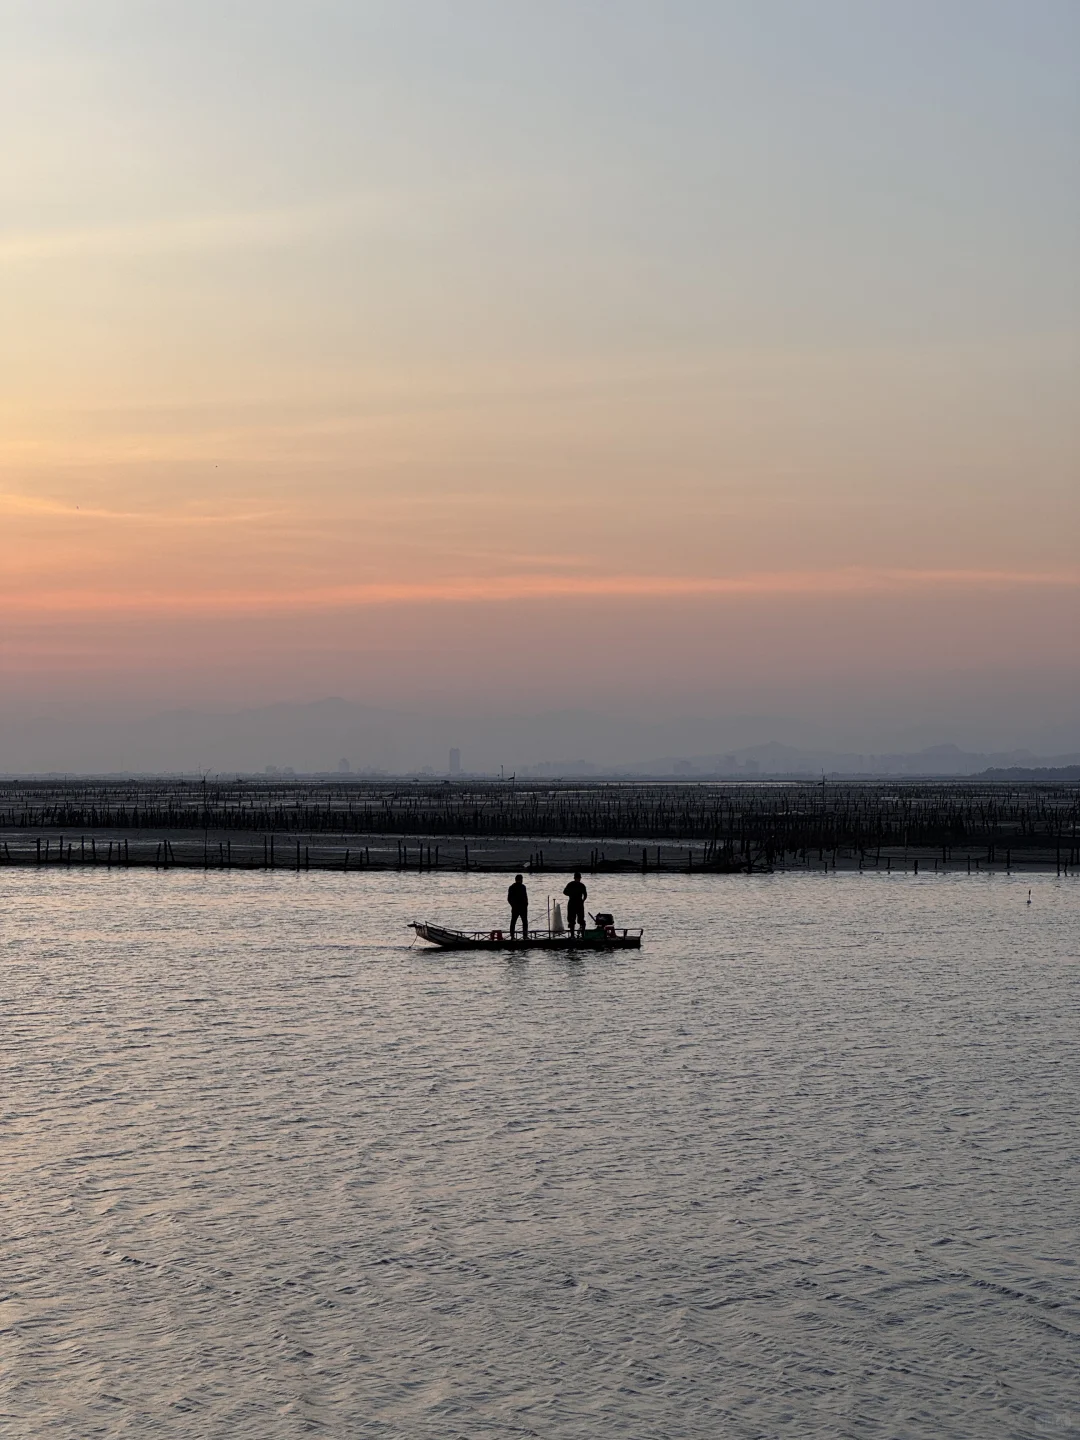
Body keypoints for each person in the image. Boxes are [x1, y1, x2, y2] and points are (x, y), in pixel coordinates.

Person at [563, 871, 587, 938]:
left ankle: (579, 935)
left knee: (578, 920)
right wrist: (582, 901)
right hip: (575, 903)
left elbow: (585, 895)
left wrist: (582, 901)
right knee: (573, 920)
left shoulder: (573, 884)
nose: (578, 879)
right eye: (578, 878)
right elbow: (585, 895)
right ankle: (575, 935)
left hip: (575, 903)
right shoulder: (578, 885)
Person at [507, 873, 529, 939]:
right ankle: (517, 936)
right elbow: (509, 898)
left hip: (520, 907)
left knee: (521, 922)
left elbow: (525, 897)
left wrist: (526, 904)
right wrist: (514, 905)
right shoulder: (513, 887)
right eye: (521, 879)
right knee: (515, 922)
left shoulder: (522, 887)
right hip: (518, 908)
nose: (522, 881)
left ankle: (522, 936)